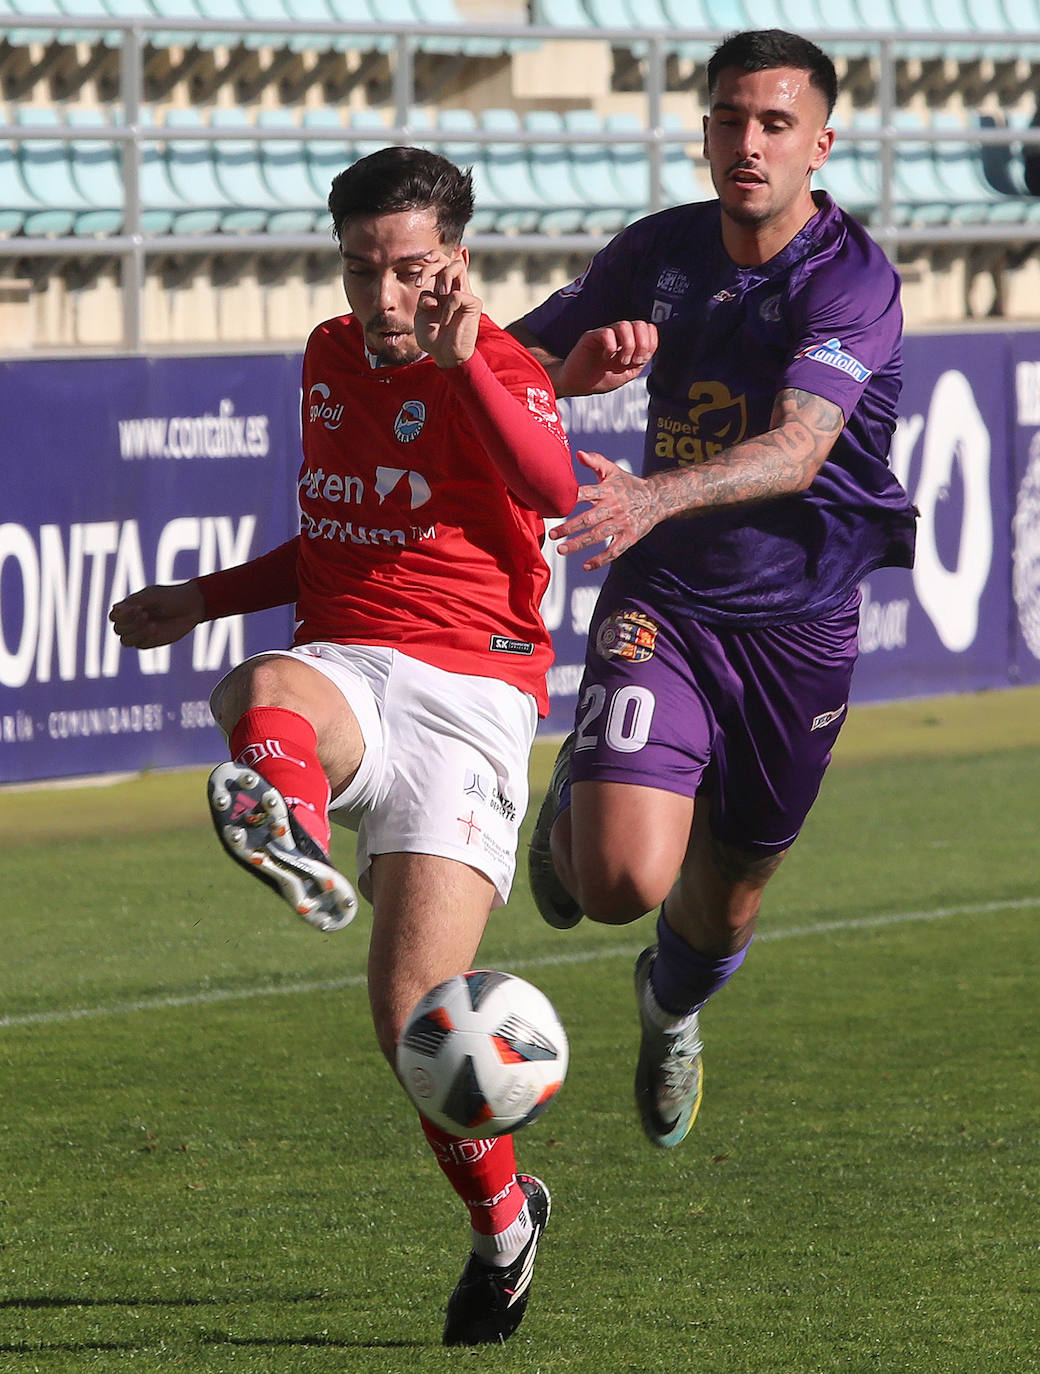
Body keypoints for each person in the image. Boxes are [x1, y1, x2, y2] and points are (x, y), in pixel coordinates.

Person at [110, 145, 577, 1347]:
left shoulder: (501, 362)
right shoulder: (324, 355)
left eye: (409, 270)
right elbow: (333, 536)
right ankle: (296, 839)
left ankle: (502, 1225)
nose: (382, 299)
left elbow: (552, 481)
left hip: (474, 691)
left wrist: (470, 365)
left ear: (454, 263)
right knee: (262, 683)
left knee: (417, 1026)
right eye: (361, 268)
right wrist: (200, 599)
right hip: (351, 663)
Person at [510, 29, 917, 1150]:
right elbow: (510, 367)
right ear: (703, 134)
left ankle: (669, 1008)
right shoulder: (654, 252)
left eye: (774, 124)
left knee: (729, 892)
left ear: (818, 144)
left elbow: (795, 452)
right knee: (616, 880)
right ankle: (582, 808)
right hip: (666, 601)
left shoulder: (848, 279)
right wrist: (550, 366)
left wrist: (650, 495)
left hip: (797, 619)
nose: (749, 143)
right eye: (729, 120)